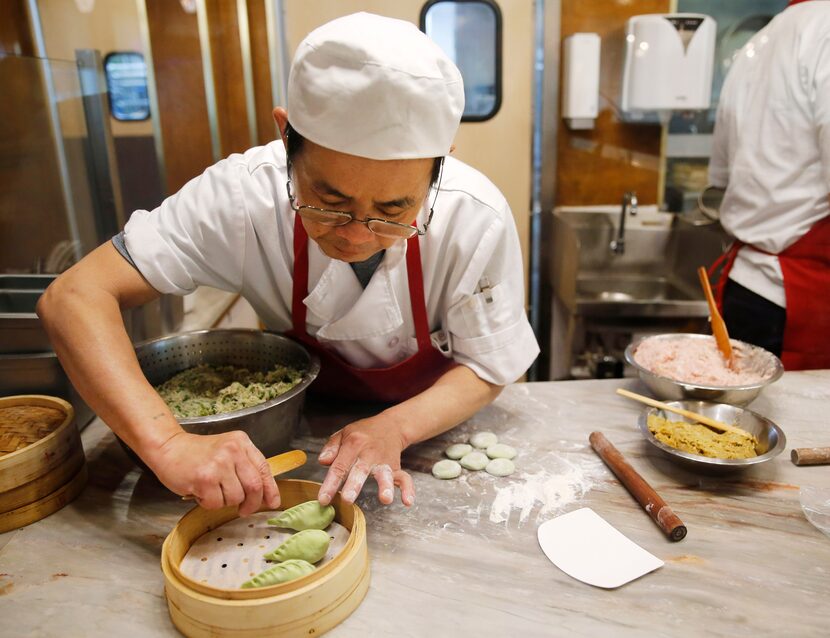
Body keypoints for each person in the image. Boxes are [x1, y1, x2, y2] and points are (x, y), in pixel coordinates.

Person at [37, 13, 539, 515]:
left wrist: (396, 426)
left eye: (393, 211)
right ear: (285, 136)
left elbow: (488, 364)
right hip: (293, 437)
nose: (358, 235)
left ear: (439, 165)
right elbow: (73, 297)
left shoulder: (475, 218)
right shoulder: (241, 197)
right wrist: (168, 444)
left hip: (433, 428)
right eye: (328, 200)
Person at [707, 0, 830, 370]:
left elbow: (721, 178)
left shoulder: (757, 43)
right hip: (797, 299)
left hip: (747, 290)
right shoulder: (824, 27)